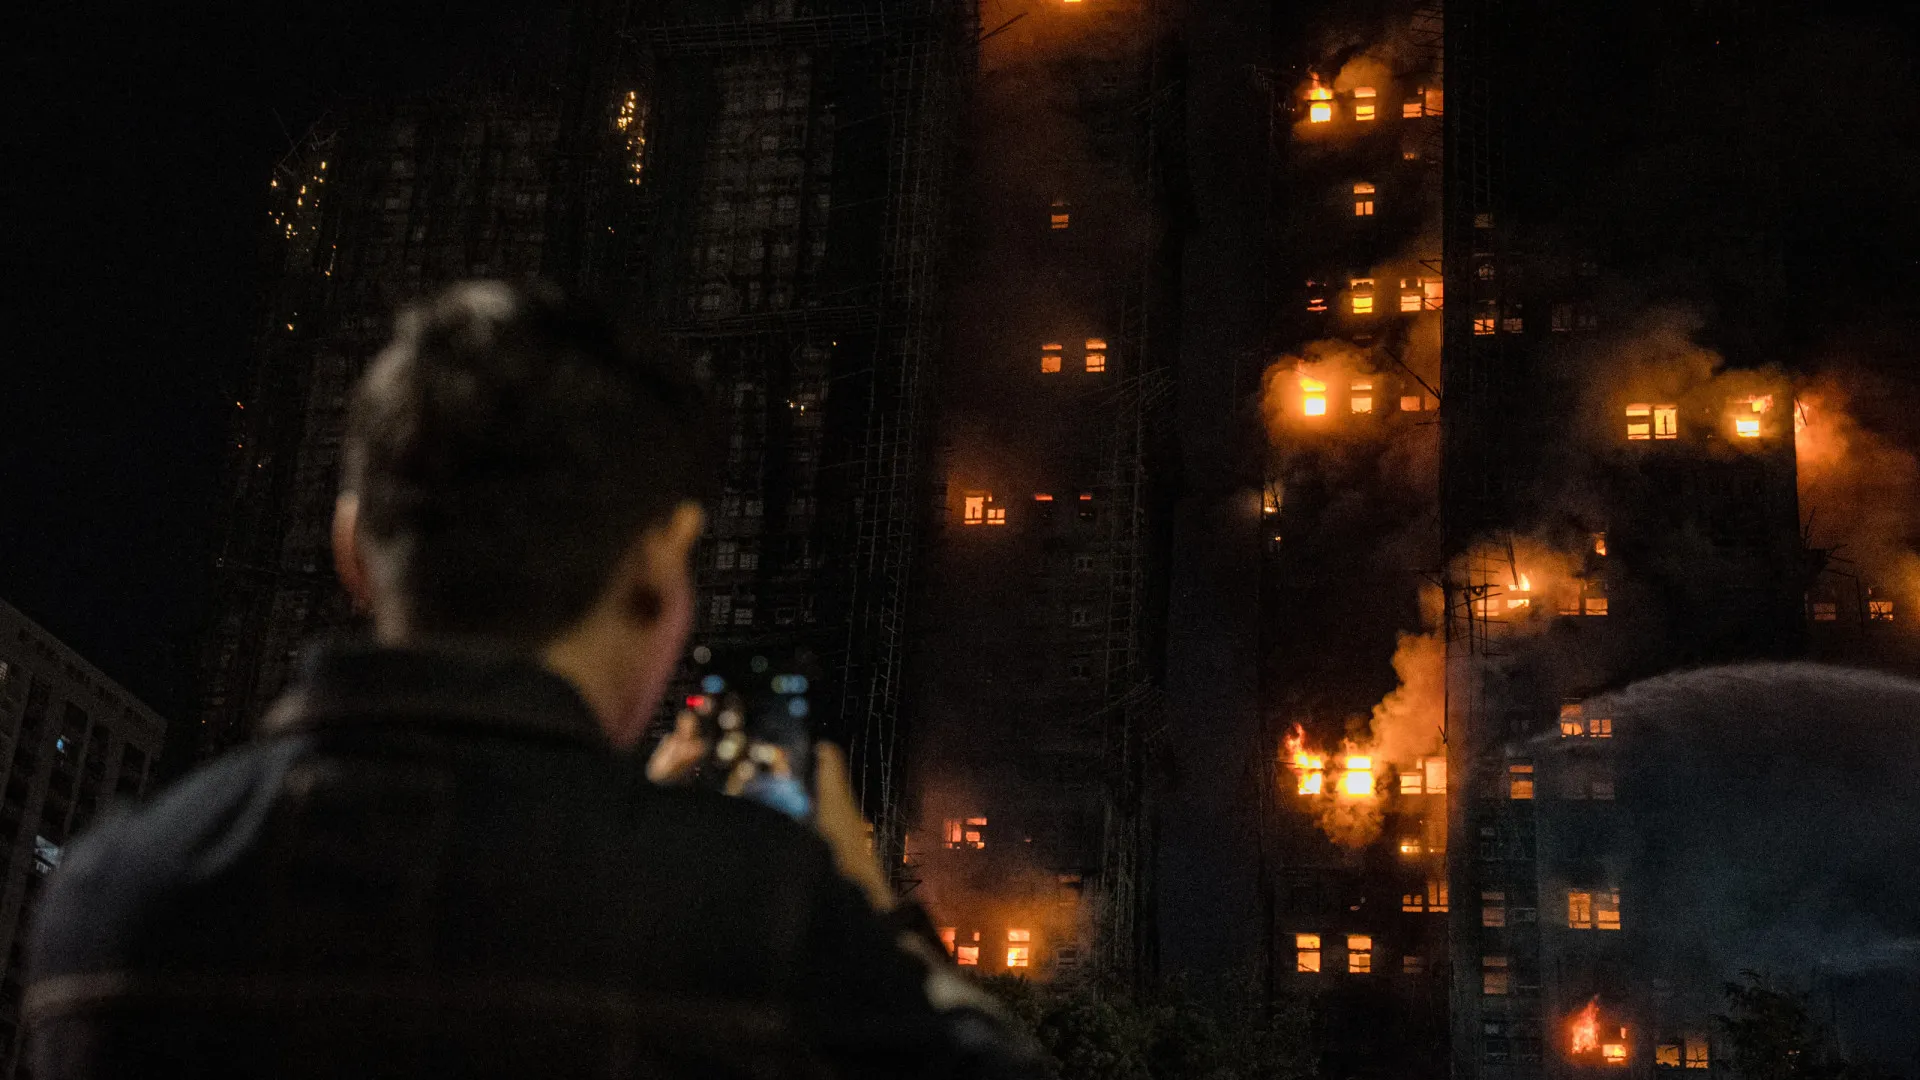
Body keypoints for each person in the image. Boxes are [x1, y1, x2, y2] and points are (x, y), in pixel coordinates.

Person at [25, 282, 1038, 1078]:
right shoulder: (759, 911)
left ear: (352, 550)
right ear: (659, 562)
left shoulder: (110, 904)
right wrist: (867, 900)